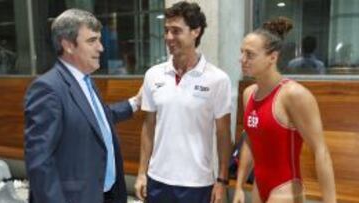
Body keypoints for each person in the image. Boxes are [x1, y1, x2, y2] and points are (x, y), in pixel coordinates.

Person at [24, 9, 141, 203]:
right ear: (68, 45)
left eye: (99, 40)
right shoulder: (47, 89)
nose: (101, 48)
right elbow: (40, 163)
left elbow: (97, 120)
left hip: (106, 194)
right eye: (91, 41)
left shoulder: (85, 81)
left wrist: (134, 103)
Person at [134, 1, 232, 203]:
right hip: (157, 180)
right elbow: (149, 126)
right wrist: (142, 172)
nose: (169, 37)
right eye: (167, 30)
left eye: (176, 31)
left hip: (197, 183)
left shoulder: (218, 79)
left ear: (196, 32)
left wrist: (222, 180)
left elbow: (223, 134)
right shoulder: (153, 75)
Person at [233, 17, 336, 203]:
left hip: (286, 189)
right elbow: (249, 140)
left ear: (272, 57)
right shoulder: (248, 94)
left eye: (250, 54)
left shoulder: (294, 95)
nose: (242, 60)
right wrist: (239, 186)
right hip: (259, 185)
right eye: (242, 53)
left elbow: (321, 152)